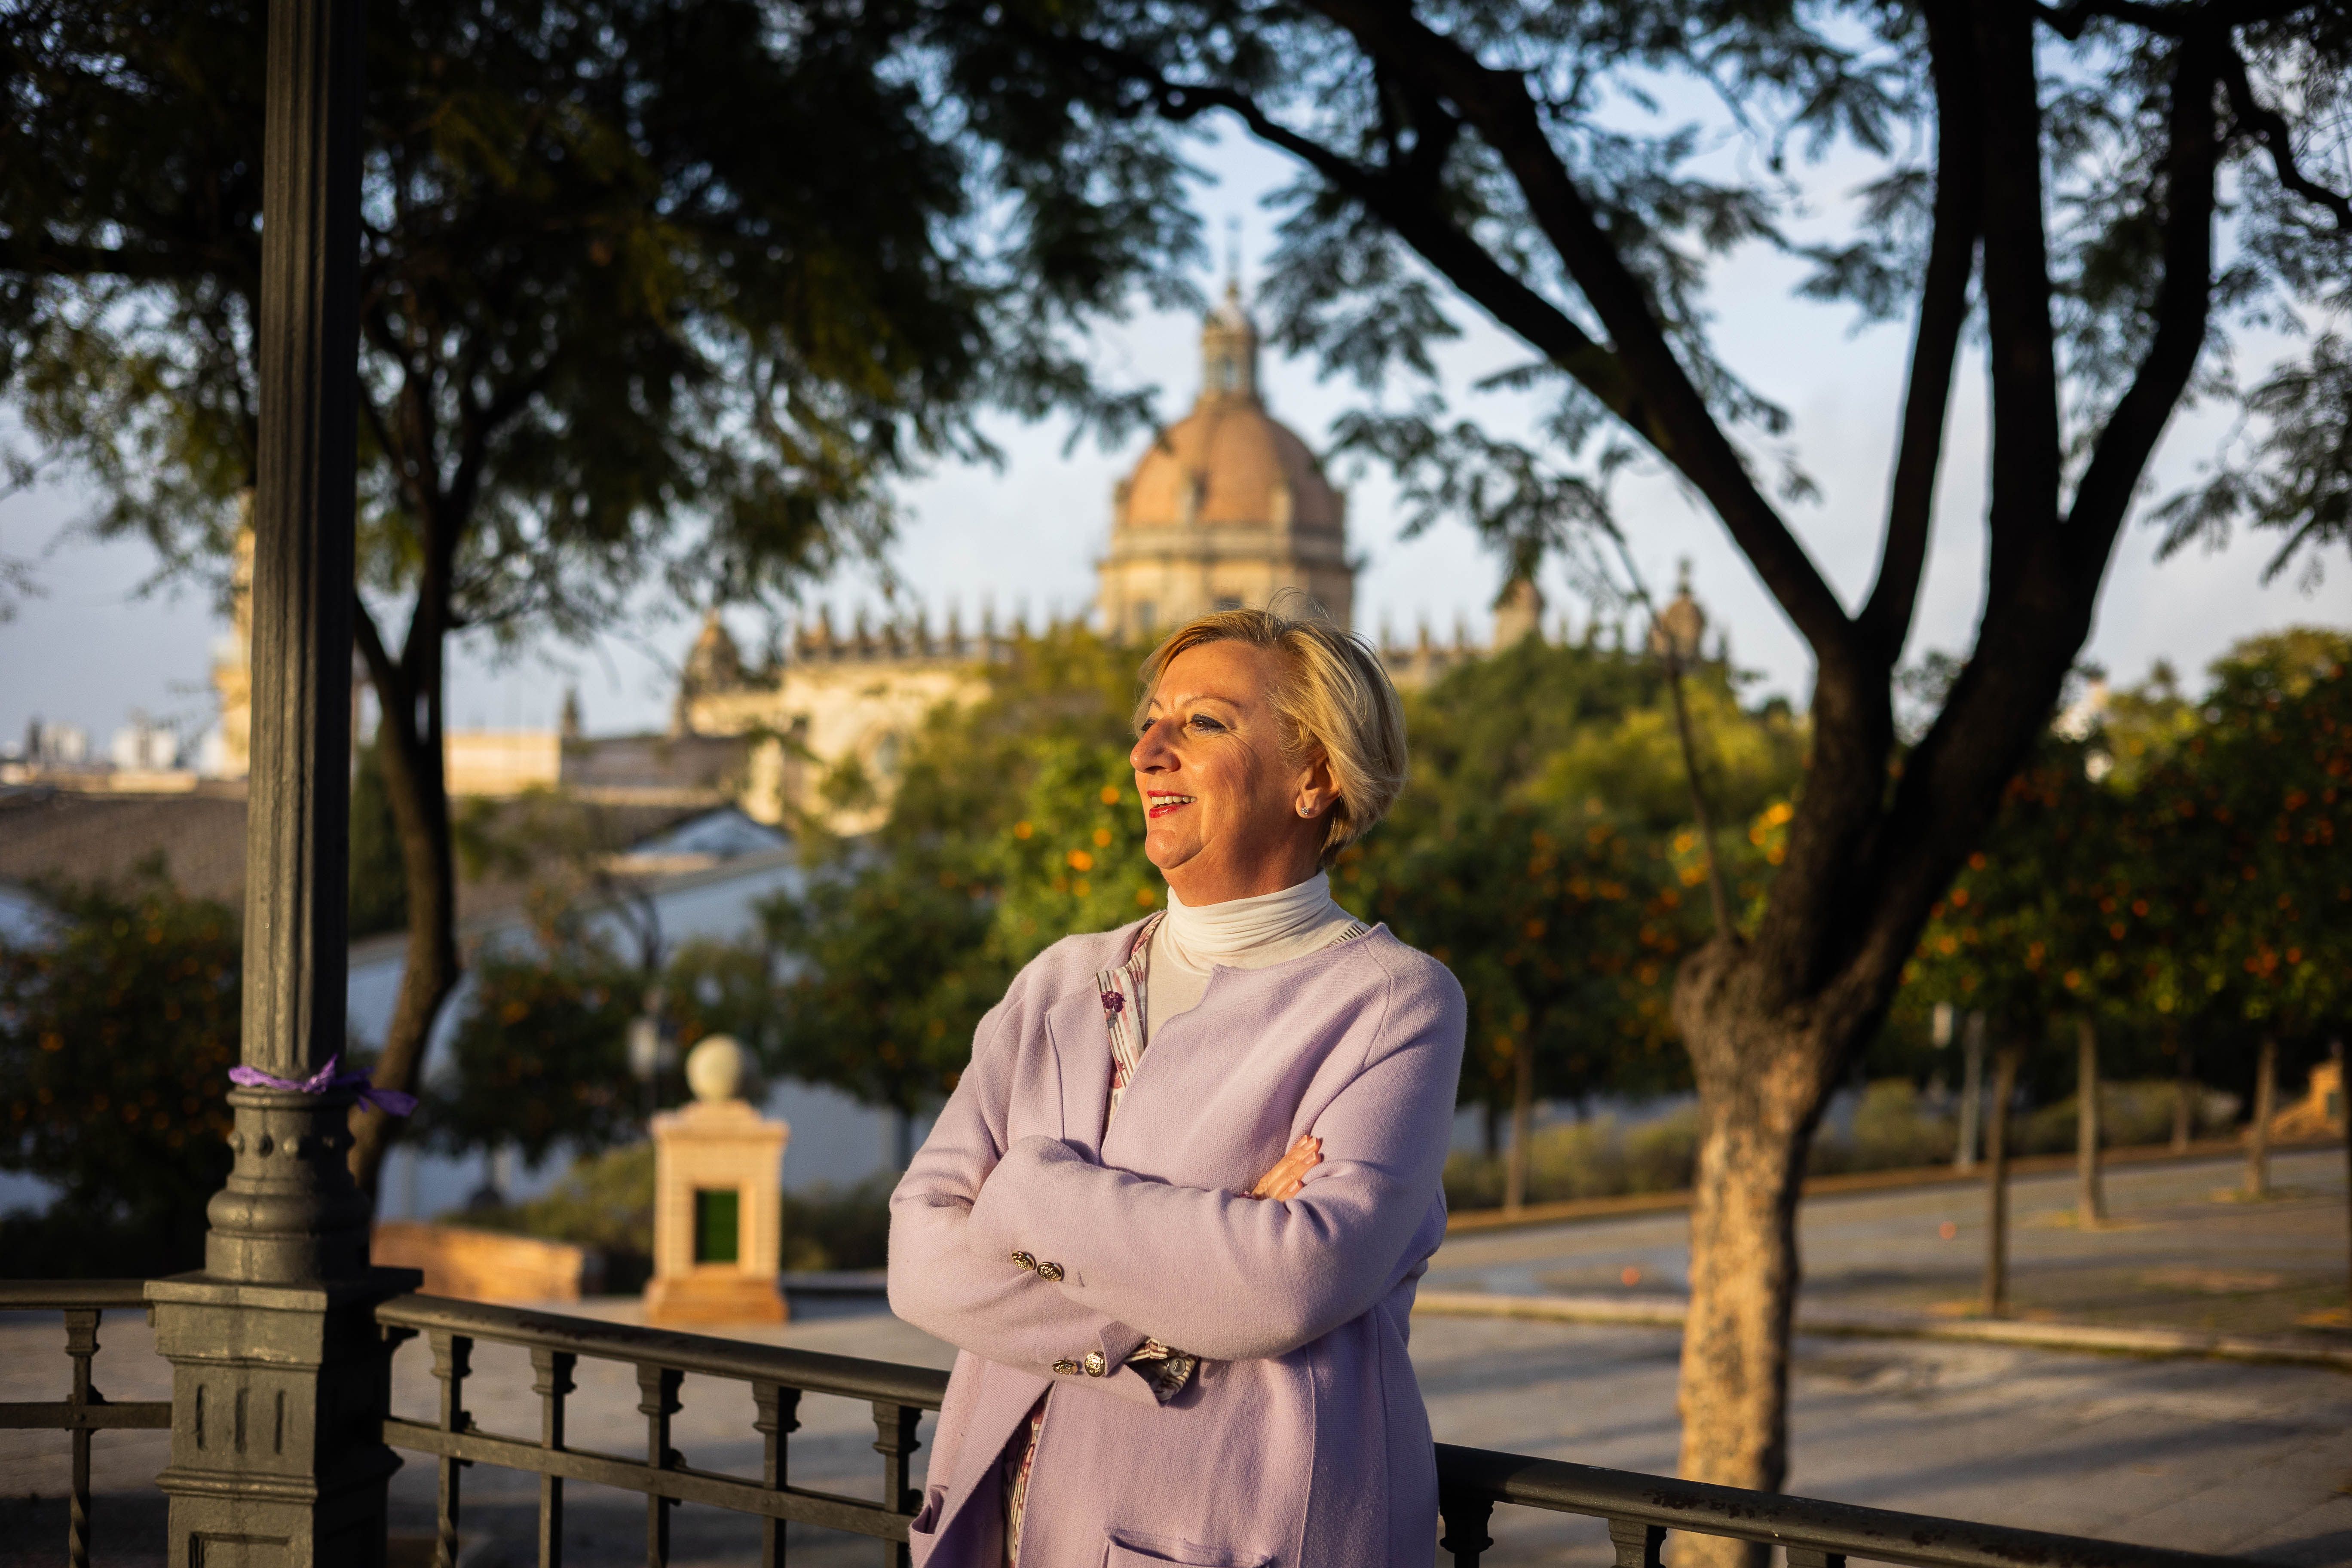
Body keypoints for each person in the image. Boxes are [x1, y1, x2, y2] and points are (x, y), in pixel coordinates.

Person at [888, 602, 1468, 1568]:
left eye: (1204, 723)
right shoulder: (1062, 984)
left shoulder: (1393, 1003)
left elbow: (1287, 1285)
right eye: (1151, 721)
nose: (1151, 749)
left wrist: (1032, 1197)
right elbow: (920, 1257)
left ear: (1317, 776)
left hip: (1240, 1537)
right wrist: (1200, 1267)